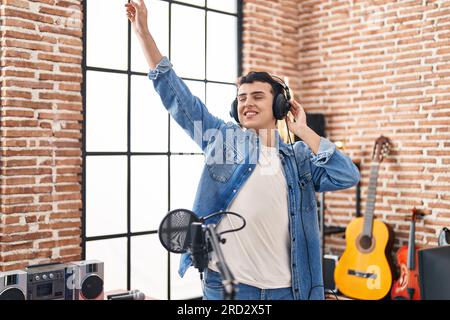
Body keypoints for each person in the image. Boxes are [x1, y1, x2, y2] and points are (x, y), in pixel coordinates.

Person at [125, 0, 360, 300]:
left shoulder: (299, 159)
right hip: (227, 288)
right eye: (242, 98)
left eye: (258, 96)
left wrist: (303, 131)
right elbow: (177, 97)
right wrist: (144, 33)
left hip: (287, 290)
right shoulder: (221, 138)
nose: (247, 103)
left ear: (279, 106)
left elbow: (347, 174)